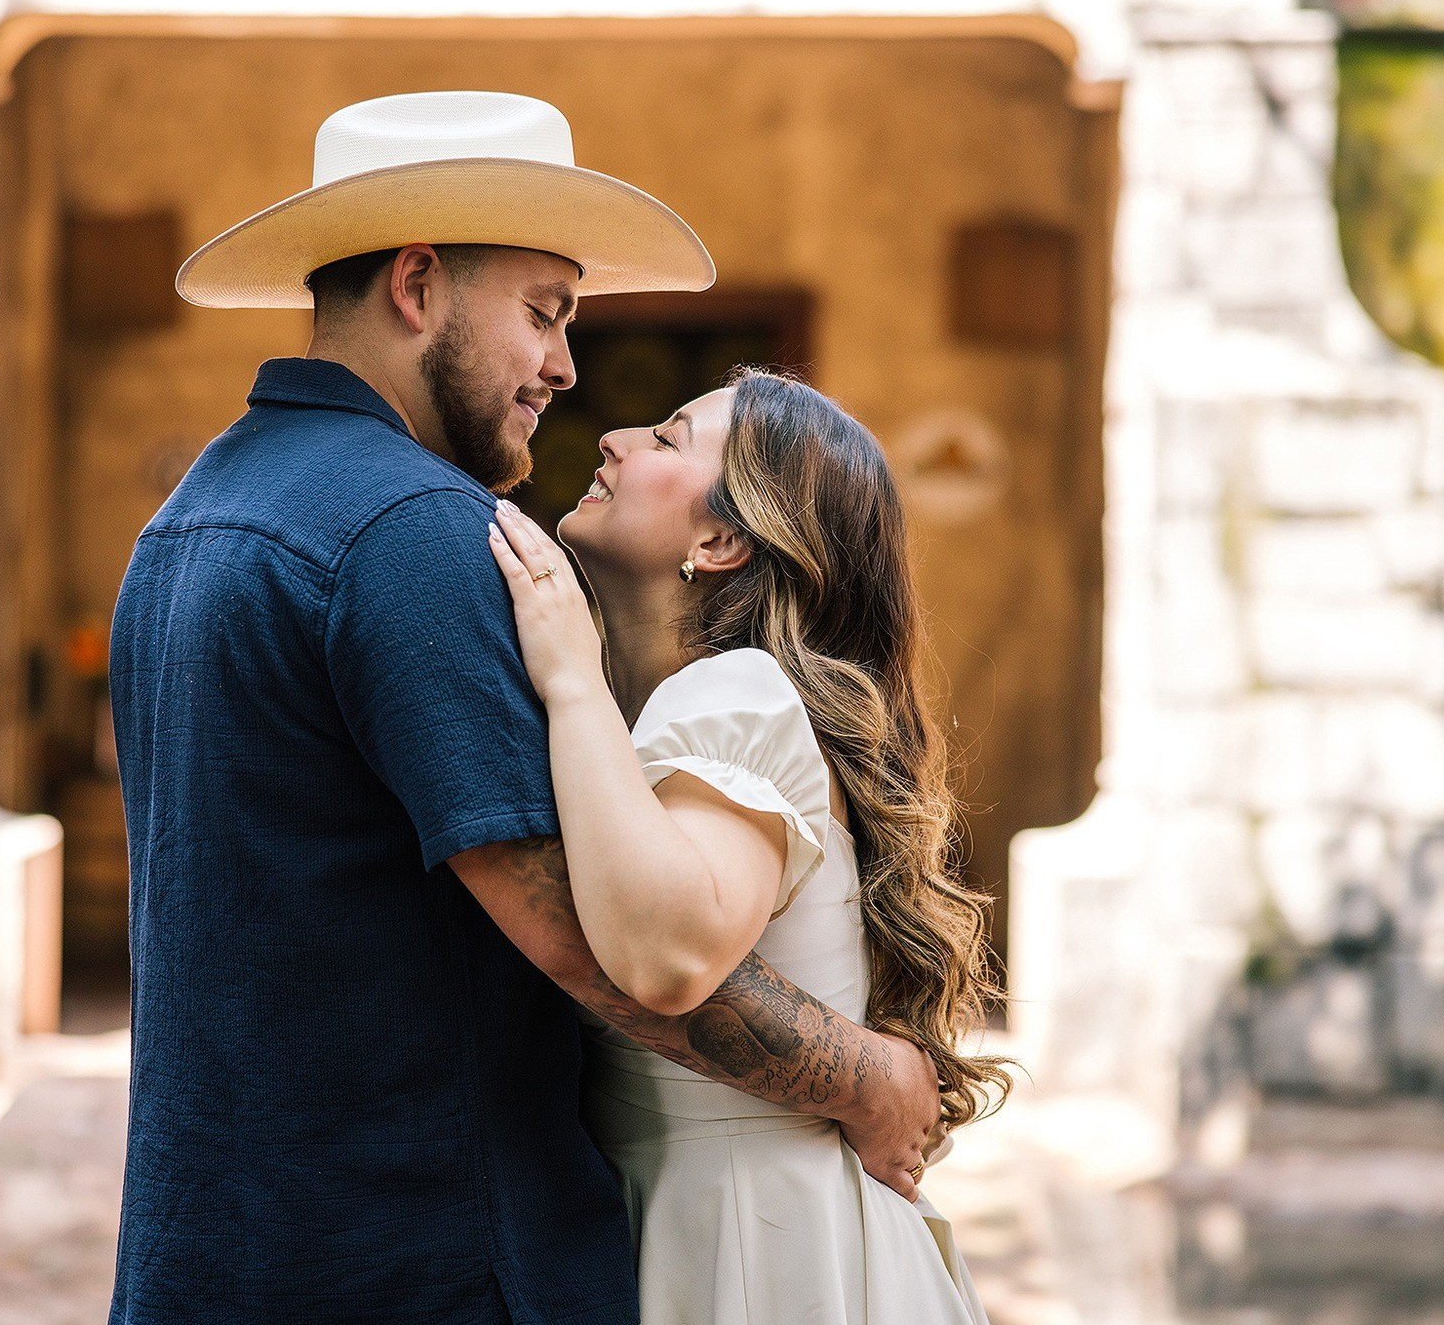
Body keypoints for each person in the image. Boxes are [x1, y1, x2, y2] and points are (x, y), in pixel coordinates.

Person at [108, 90, 948, 1323]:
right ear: (415, 284)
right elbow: (592, 942)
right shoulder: (415, 531)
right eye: (545, 314)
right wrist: (862, 1078)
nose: (566, 367)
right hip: (415, 1256)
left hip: (210, 1247)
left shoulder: (185, 519)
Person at [484, 368, 1009, 1324]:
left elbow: (668, 955)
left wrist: (567, 679)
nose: (616, 439)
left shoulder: (735, 692)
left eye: (670, 438)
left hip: (755, 1247)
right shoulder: (671, 709)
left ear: (721, 540)